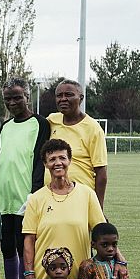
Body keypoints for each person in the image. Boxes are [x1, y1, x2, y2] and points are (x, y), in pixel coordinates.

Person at [0, 78, 50, 279]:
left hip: (25, 198)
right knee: (7, 246)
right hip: (3, 198)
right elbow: (1, 158)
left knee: (23, 246)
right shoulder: (5, 126)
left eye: (17, 97)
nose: (13, 102)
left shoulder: (40, 123)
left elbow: (39, 160)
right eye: (8, 98)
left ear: (27, 96)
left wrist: (34, 195)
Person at [22, 139, 107, 279]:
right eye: (52, 159)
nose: (58, 163)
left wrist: (119, 260)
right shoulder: (36, 199)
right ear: (45, 164)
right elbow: (29, 241)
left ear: (70, 160)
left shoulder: (87, 194)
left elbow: (102, 233)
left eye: (62, 158)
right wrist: (29, 276)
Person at [47, 79, 108, 208]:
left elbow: (101, 172)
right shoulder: (51, 121)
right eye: (59, 95)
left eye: (69, 95)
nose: (63, 99)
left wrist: (98, 208)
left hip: (80, 198)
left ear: (81, 98)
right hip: (51, 196)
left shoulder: (93, 128)